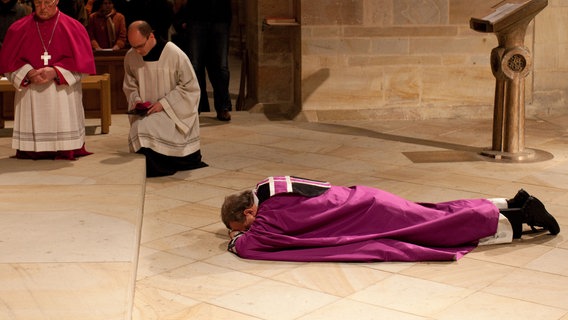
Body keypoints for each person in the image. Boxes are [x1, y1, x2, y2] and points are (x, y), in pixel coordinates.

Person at [221, 176, 561, 262]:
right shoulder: (267, 187)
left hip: (368, 216)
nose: (249, 228)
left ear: (249, 212)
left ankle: (518, 219)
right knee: (435, 212)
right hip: (364, 197)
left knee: (437, 228)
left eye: (243, 225)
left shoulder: (268, 216)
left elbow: (252, 247)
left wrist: (237, 241)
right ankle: (510, 202)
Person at [0, 0, 96, 160]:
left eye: (47, 2)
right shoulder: (18, 28)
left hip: (62, 94)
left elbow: (83, 67)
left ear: (57, 0)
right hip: (31, 91)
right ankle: (31, 149)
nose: (42, 8)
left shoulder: (73, 27)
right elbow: (8, 65)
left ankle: (65, 148)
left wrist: (55, 71)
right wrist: (28, 72)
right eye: (38, 3)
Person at [123, 20, 207, 177]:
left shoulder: (174, 54)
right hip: (147, 111)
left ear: (151, 37)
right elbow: (130, 85)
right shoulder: (131, 56)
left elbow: (190, 86)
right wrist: (137, 100)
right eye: (133, 47)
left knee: (143, 128)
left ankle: (163, 164)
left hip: (172, 111)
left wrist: (164, 104)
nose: (138, 51)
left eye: (140, 46)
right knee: (139, 127)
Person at [176, 0, 232, 121]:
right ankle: (196, 107)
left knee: (221, 67)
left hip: (220, 19)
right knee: (195, 67)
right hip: (196, 19)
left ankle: (223, 107)